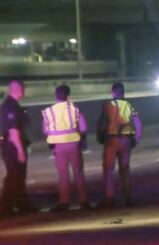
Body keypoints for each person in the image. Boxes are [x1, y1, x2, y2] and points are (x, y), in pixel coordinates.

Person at [41, 85, 91, 212]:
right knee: (78, 173)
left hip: (58, 147)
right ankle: (83, 202)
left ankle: (64, 203)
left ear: (56, 96)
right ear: (68, 96)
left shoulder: (49, 112)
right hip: (74, 145)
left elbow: (45, 131)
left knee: (63, 175)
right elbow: (84, 128)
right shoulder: (75, 110)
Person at [96, 82, 142, 208]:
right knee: (125, 169)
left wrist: (100, 136)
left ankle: (109, 198)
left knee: (108, 170)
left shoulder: (107, 105)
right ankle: (128, 198)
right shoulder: (129, 105)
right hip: (126, 140)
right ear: (123, 92)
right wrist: (136, 139)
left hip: (111, 140)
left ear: (113, 92)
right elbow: (137, 123)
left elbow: (102, 122)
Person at [0, 80, 37, 216]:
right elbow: (13, 131)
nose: (24, 91)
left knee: (17, 175)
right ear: (16, 89)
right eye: (22, 88)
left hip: (11, 145)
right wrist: (20, 150)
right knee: (14, 175)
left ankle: (17, 204)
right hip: (12, 146)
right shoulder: (11, 106)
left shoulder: (12, 105)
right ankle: (7, 207)